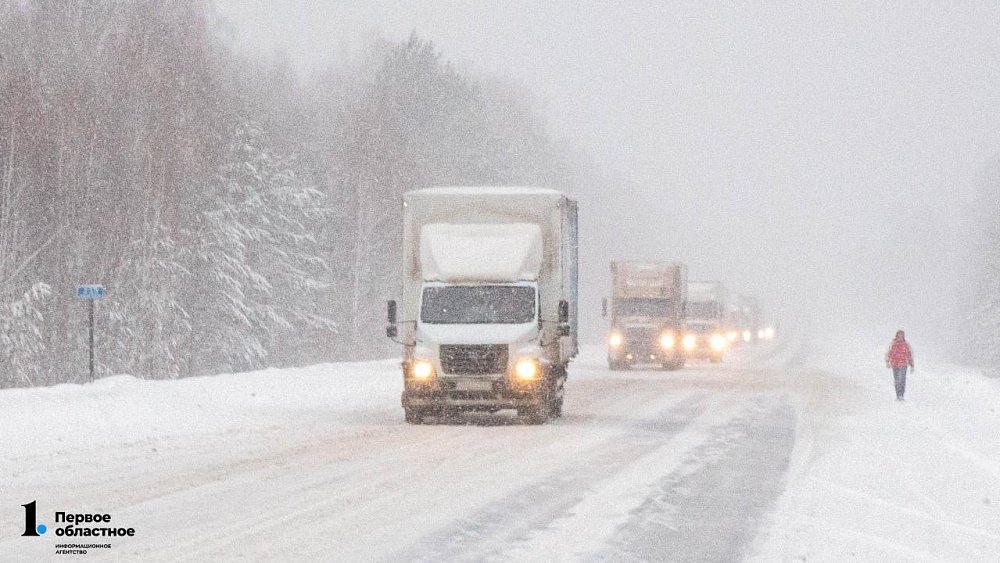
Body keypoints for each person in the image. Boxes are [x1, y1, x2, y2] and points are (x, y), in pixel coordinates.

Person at [885, 330, 914, 401]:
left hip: (903, 364)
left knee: (902, 379)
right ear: (897, 335)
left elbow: (909, 354)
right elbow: (889, 353)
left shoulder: (906, 344)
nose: (900, 336)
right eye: (899, 335)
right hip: (895, 364)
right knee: (897, 380)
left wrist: (911, 364)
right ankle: (898, 394)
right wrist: (887, 362)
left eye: (902, 335)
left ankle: (901, 394)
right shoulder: (893, 344)